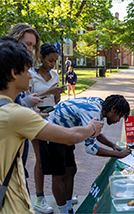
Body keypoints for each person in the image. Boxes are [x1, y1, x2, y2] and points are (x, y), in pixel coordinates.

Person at [0, 39, 103, 214]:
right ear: (13, 73)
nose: (30, 75)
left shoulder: (10, 112)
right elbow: (70, 137)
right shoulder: (16, 114)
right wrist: (91, 128)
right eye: (26, 71)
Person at [38, 95, 132, 214]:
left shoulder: (100, 105)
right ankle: (63, 211)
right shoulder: (93, 111)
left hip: (65, 133)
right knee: (58, 175)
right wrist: (117, 154)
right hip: (50, 132)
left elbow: (95, 133)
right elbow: (90, 148)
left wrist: (113, 145)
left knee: (71, 169)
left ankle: (68, 206)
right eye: (119, 115)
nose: (118, 120)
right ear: (113, 108)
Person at [7, 23, 55, 213]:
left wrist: (26, 104)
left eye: (33, 46)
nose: (30, 49)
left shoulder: (17, 68)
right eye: (27, 44)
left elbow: (13, 102)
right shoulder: (8, 68)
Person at [29, 43, 65, 213]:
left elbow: (55, 101)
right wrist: (49, 91)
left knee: (57, 156)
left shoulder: (55, 74)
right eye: (50, 60)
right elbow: (29, 99)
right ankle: (39, 198)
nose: (53, 64)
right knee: (41, 159)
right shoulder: (30, 75)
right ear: (41, 58)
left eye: (55, 61)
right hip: (36, 117)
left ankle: (60, 193)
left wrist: (57, 93)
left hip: (53, 117)